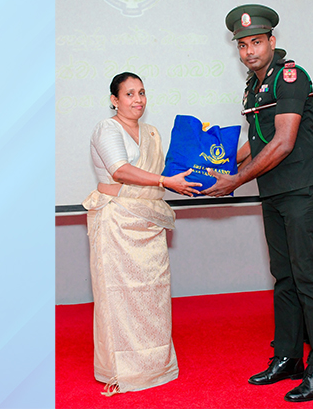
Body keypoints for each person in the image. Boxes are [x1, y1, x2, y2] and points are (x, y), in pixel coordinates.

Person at [202, 5, 313, 403]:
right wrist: (216, 167)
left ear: (271, 42)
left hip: (306, 188)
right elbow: (258, 141)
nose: (249, 51)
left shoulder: (290, 77)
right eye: (242, 45)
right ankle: (288, 357)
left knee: (308, 276)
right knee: (283, 276)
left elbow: (283, 141)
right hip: (277, 190)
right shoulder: (254, 86)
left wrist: (236, 180)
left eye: (256, 42)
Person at [82, 72, 201, 396]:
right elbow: (120, 170)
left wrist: (205, 170)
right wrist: (165, 181)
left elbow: (165, 173)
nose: (138, 100)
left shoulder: (151, 132)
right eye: (130, 94)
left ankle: (155, 365)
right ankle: (121, 370)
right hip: (117, 220)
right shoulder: (107, 128)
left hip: (149, 222)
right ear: (114, 100)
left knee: (153, 295)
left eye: (142, 93)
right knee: (118, 296)